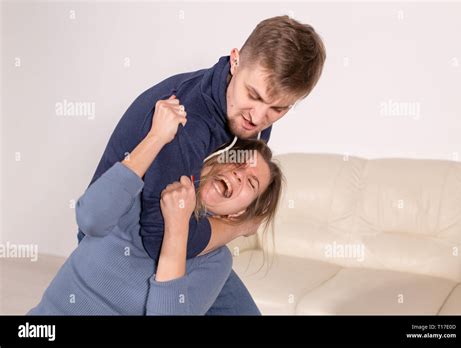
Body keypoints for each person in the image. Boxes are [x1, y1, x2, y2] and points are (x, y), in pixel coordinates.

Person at [77, 15, 326, 315]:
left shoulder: (249, 118)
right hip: (122, 242)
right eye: (253, 95)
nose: (259, 118)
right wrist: (241, 226)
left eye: (278, 108)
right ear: (235, 61)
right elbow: (159, 239)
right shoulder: (189, 120)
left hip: (177, 232)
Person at [28, 96, 283, 315]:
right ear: (212, 160)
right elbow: (90, 219)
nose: (239, 174)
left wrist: (177, 227)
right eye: (236, 162)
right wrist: (157, 137)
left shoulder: (216, 261)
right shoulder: (145, 190)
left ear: (239, 211)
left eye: (251, 182)